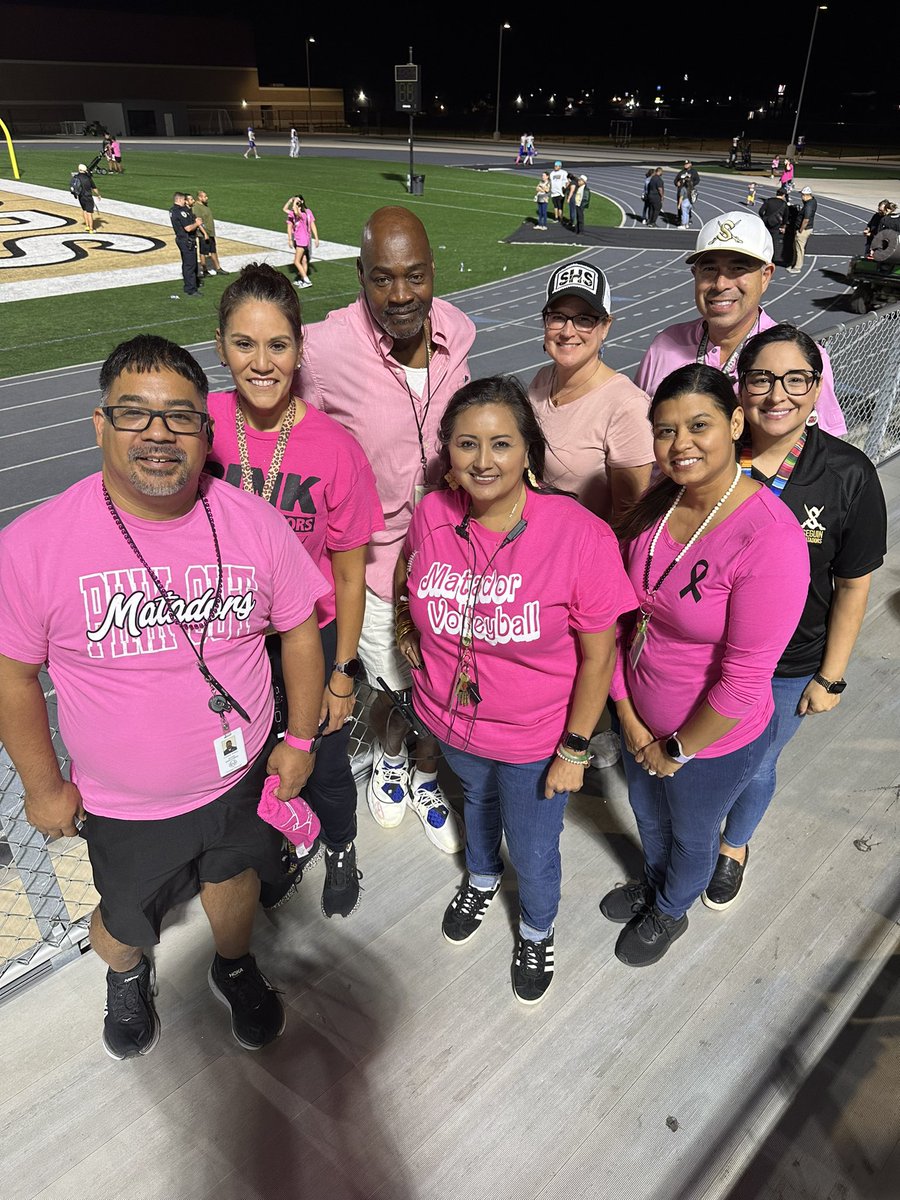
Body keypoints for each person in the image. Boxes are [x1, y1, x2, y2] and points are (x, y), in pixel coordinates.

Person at [0, 335, 329, 1059]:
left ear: (205, 433)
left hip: (242, 777)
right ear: (100, 424)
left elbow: (301, 633)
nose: (158, 432)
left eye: (180, 417)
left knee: (235, 879)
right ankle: (125, 978)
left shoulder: (254, 523)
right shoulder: (35, 545)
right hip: (123, 805)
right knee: (125, 922)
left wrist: (301, 741)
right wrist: (43, 786)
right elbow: (13, 676)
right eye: (134, 413)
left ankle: (234, 964)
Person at [396, 376, 636, 1003]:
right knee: (476, 801)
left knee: (532, 843)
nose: (482, 460)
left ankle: (535, 926)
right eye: (466, 444)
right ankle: (479, 877)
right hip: (452, 724)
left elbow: (599, 654)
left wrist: (575, 747)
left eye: (500, 443)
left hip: (538, 738)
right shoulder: (431, 515)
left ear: (528, 451)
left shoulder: (578, 534)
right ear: (447, 453)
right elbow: (412, 589)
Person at [600, 363, 810, 967]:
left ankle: (672, 908)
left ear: (737, 422)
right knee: (645, 812)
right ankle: (655, 879)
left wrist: (676, 749)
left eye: (698, 426)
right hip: (639, 718)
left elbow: (745, 680)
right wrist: (630, 717)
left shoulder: (769, 538)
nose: (679, 444)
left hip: (708, 744)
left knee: (694, 834)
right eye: (664, 431)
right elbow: (622, 614)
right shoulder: (659, 501)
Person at [206, 263, 384, 918]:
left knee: (327, 763)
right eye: (244, 343)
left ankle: (340, 844)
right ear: (220, 344)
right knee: (250, 766)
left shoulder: (335, 449)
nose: (261, 362)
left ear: (299, 349)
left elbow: (348, 570)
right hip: (227, 640)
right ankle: (279, 841)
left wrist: (344, 672)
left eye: (277, 344)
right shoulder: (199, 426)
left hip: (309, 637)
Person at [298, 206, 475, 852]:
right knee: (400, 687)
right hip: (374, 569)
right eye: (382, 278)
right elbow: (294, 444)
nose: (401, 295)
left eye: (416, 276)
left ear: (433, 272)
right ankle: (395, 758)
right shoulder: (322, 349)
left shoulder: (460, 332)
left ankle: (426, 772)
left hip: (452, 564)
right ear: (360, 276)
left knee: (443, 683)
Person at [701, 324, 886, 909]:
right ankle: (696, 833)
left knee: (755, 764)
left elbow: (853, 585)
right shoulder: (713, 457)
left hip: (786, 667)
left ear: (815, 387)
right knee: (701, 751)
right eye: (761, 378)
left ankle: (733, 847)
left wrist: (830, 676)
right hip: (705, 652)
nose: (777, 394)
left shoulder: (848, 473)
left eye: (795, 379)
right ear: (741, 385)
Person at [634, 211, 847, 435]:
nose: (721, 283)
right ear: (694, 275)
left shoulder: (803, 358)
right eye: (709, 269)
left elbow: (826, 455)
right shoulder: (663, 346)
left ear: (766, 276)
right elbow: (638, 437)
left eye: (738, 269)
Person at [528, 261, 653, 521]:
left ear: (606, 326)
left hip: (584, 557)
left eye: (584, 319)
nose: (567, 331)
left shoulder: (627, 406)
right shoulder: (541, 381)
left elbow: (629, 521)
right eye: (558, 317)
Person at [168, 191, 204, 298]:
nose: (185, 202)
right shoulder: (180, 212)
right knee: (190, 264)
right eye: (184, 200)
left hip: (182, 239)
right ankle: (191, 289)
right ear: (179, 200)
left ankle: (191, 283)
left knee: (187, 263)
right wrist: (197, 224)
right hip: (186, 240)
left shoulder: (173, 210)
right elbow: (188, 228)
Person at [282, 195, 319, 288]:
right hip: (303, 239)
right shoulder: (299, 213)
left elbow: (311, 224)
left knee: (296, 261)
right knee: (304, 260)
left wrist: (294, 202)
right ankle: (303, 279)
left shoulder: (302, 214)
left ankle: (306, 280)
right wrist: (290, 200)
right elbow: (285, 209)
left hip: (301, 240)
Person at [194, 189, 228, 278]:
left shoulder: (205, 206)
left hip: (210, 233)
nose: (206, 198)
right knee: (203, 252)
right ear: (199, 197)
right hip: (203, 234)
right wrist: (204, 233)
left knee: (213, 250)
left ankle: (218, 268)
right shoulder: (196, 208)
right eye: (204, 196)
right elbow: (198, 222)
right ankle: (204, 270)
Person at [787, 186, 817, 274]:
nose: (801, 197)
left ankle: (797, 267)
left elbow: (806, 219)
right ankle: (794, 264)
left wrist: (801, 229)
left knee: (799, 249)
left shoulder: (808, 205)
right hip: (806, 228)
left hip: (804, 230)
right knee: (796, 247)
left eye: (802, 195)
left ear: (806, 195)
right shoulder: (812, 201)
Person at [759, 188, 790, 265]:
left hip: (766, 223)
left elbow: (761, 211)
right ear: (783, 195)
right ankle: (773, 259)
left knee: (765, 239)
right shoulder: (784, 204)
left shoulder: (768, 201)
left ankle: (762, 256)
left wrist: (764, 219)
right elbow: (786, 216)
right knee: (775, 241)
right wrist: (783, 225)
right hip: (776, 225)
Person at [70, 163, 100, 233]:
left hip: (81, 196)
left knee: (84, 210)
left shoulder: (76, 177)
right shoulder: (88, 177)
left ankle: (87, 226)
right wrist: (98, 194)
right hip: (88, 196)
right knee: (89, 212)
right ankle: (91, 229)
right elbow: (94, 187)